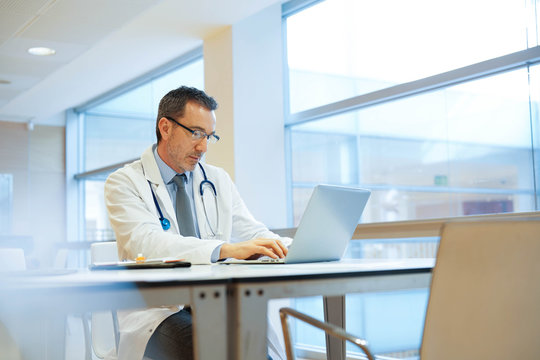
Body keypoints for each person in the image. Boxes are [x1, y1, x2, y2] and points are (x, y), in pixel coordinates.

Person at [104, 86, 292, 360]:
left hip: (213, 303)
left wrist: (289, 247)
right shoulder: (124, 182)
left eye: (209, 136)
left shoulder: (217, 180)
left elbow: (252, 231)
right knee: (213, 349)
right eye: (196, 133)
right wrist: (224, 249)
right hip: (158, 310)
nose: (203, 147)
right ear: (165, 127)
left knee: (254, 349)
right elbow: (146, 242)